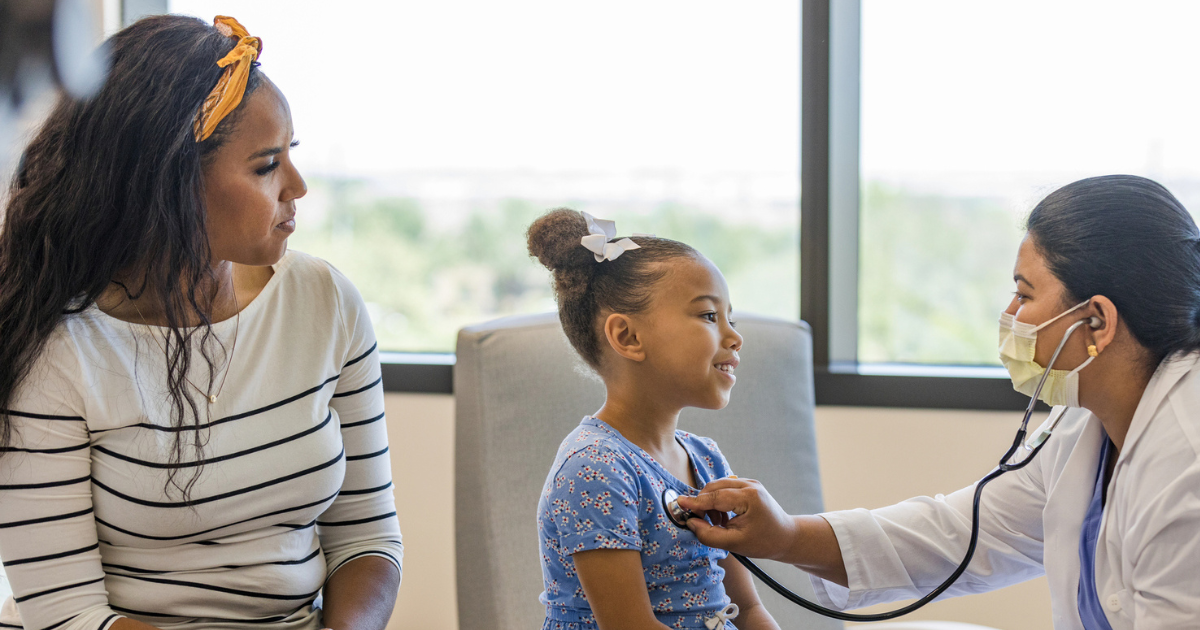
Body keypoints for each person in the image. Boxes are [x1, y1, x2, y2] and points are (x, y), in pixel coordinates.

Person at [0, 15, 402, 630]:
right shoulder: (58, 349)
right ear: (170, 182)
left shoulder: (325, 301)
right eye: (266, 165)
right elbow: (67, 614)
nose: (296, 186)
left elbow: (367, 537)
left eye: (289, 155)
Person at [677, 174, 1200, 630]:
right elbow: (963, 534)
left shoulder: (1187, 458)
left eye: (1024, 293)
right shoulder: (1082, 428)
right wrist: (786, 536)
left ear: (1097, 323)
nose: (1010, 312)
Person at [526, 208, 778, 630]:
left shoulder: (706, 460)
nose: (734, 337)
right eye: (708, 316)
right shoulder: (595, 468)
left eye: (729, 318)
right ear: (628, 337)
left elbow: (749, 611)